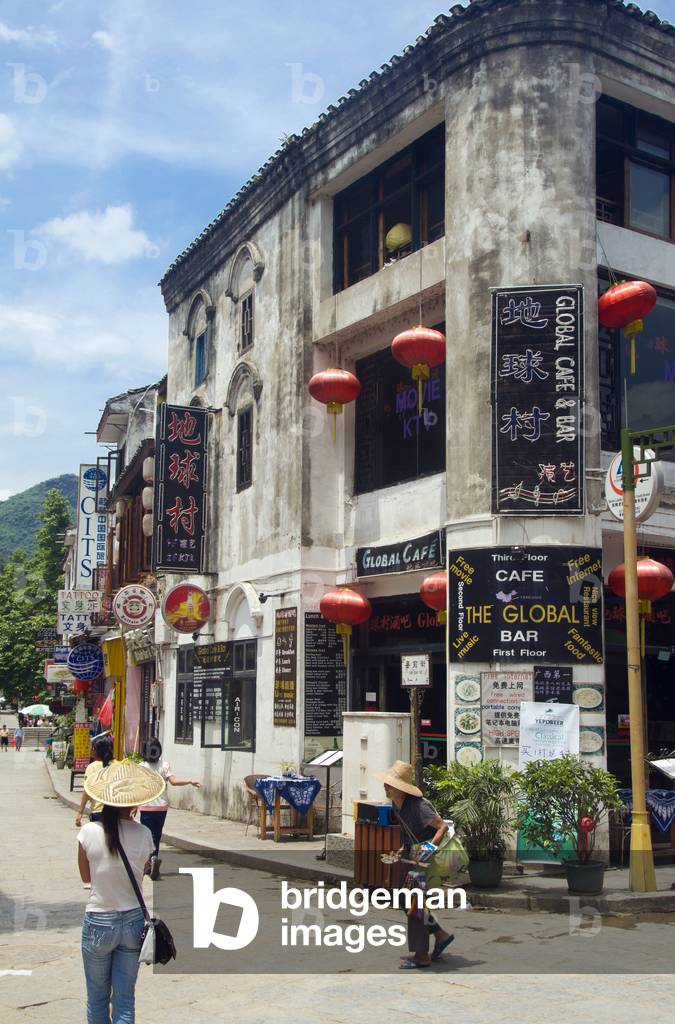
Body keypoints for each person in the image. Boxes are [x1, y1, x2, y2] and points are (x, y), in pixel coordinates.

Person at [78, 759, 162, 1024]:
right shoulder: (145, 834)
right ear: (135, 803)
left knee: (97, 997)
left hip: (99, 920)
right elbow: (145, 870)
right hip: (133, 921)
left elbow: (86, 877)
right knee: (124, 999)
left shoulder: (88, 832)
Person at [375, 760, 454, 970]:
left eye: (389, 784)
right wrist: (402, 848)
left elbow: (442, 827)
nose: (386, 787)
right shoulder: (396, 805)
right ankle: (440, 934)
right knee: (408, 903)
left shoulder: (419, 806)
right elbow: (408, 833)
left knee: (414, 905)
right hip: (410, 857)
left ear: (400, 788)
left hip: (422, 861)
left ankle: (422, 956)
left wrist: (429, 848)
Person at [138, 737, 201, 880]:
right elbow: (174, 782)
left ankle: (149, 862)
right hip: (161, 807)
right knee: (156, 835)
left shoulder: (141, 766)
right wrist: (190, 781)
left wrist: (132, 805)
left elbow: (136, 787)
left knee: (146, 835)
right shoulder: (164, 765)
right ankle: (153, 859)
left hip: (146, 806)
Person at [76, 734, 115, 827]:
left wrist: (80, 812)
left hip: (98, 811)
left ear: (97, 751)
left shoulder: (92, 767)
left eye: (93, 748)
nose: (91, 750)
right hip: (114, 811)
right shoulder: (116, 765)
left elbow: (86, 792)